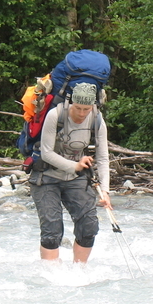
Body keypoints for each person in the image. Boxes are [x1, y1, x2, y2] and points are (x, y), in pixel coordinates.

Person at [28, 82, 111, 263]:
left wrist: (105, 191)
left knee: (88, 227)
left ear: (93, 106)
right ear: (71, 102)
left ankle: (79, 272)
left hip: (75, 179)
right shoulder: (55, 115)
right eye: (78, 108)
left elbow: (103, 158)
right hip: (46, 176)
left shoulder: (97, 119)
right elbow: (46, 153)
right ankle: (51, 275)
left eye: (86, 109)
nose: (81, 113)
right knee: (52, 231)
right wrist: (75, 166)